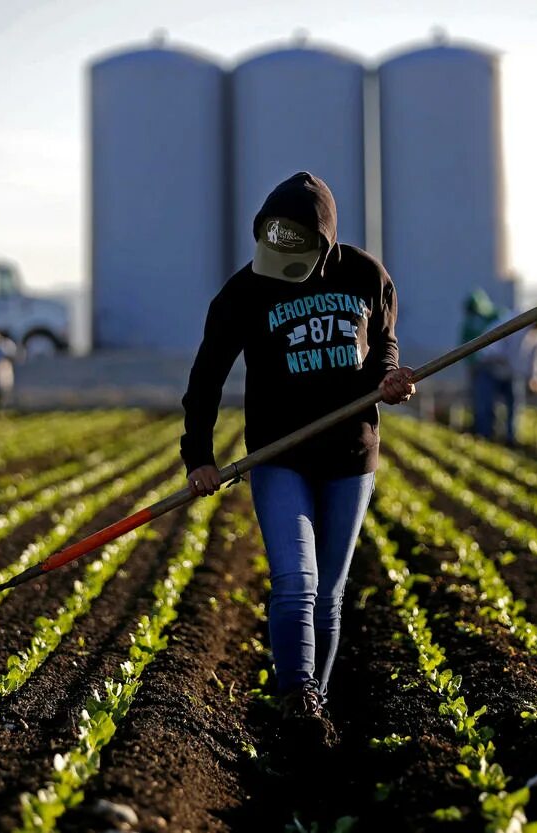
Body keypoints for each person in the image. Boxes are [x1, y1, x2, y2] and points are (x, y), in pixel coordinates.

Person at [180, 172, 415, 725]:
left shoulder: (365, 274)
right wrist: (200, 458)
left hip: (351, 455)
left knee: (329, 593)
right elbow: (206, 379)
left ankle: (314, 708)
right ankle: (297, 697)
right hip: (278, 455)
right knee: (295, 581)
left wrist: (388, 381)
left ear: (324, 243)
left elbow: (384, 343)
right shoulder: (243, 292)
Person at [462, 290, 537, 444]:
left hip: (512, 373)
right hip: (491, 367)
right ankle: (485, 438)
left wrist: (536, 378)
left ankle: (511, 440)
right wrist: (500, 359)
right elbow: (492, 346)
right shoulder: (513, 322)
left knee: (514, 405)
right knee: (486, 405)